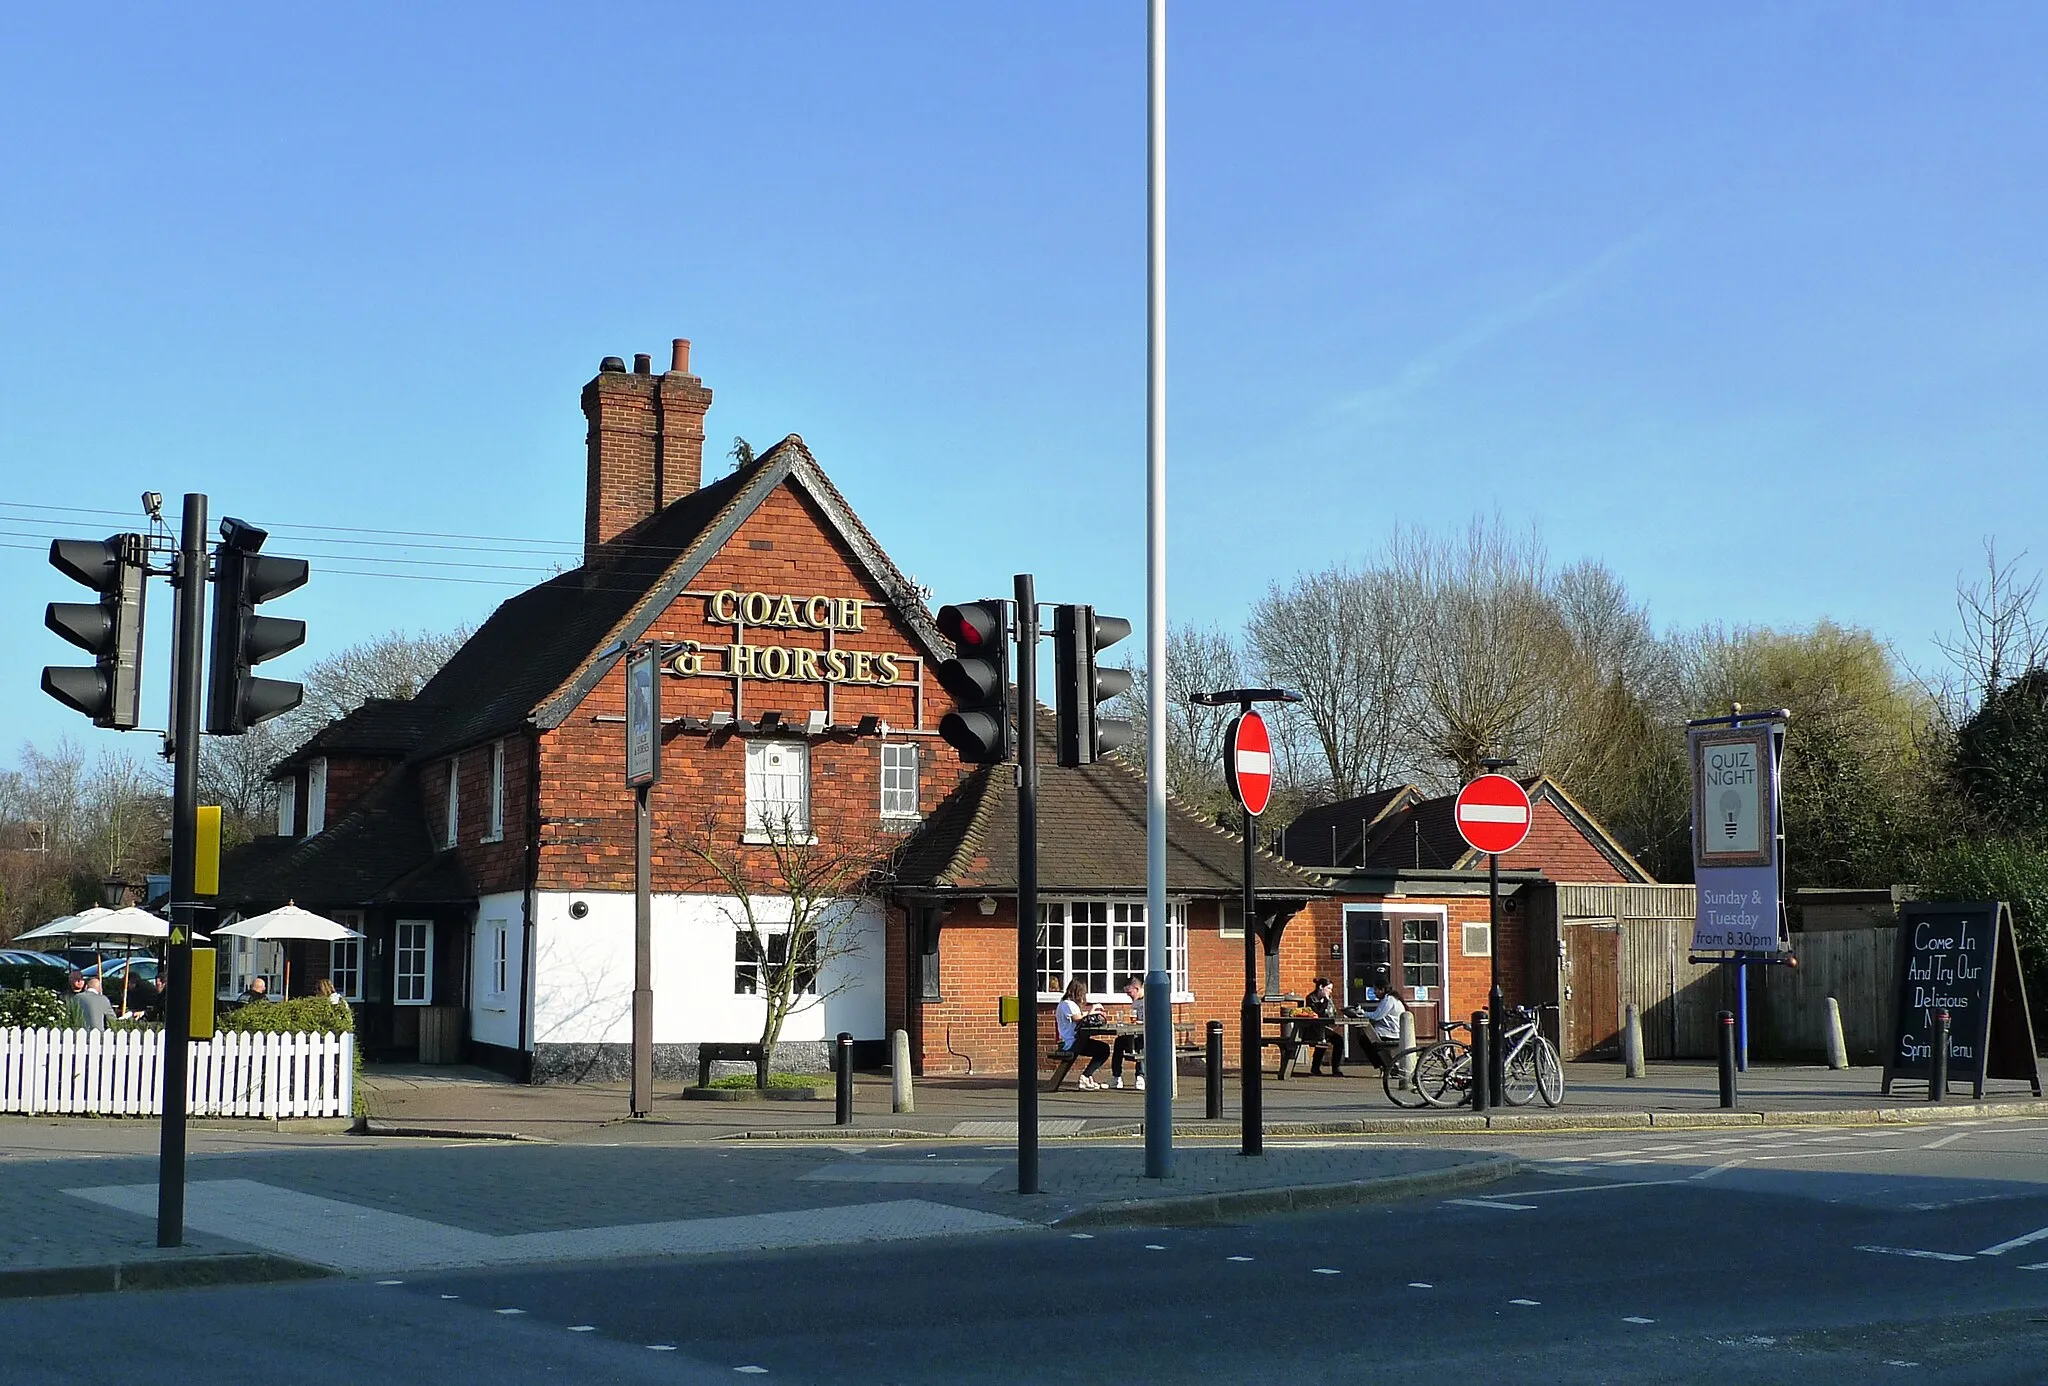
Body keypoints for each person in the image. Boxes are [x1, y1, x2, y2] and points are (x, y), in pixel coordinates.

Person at [1055, 979, 1112, 1090]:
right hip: (1071, 1042)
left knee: (1102, 1049)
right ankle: (1085, 1076)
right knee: (1104, 1049)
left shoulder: (1067, 1004)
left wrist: (1094, 1012)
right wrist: (1093, 1009)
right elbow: (1078, 1019)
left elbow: (1080, 1015)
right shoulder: (1068, 1004)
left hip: (1074, 1040)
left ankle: (1087, 1076)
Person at [1302, 976, 1345, 1077]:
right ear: (1321, 987)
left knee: (1339, 1040)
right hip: (1312, 1029)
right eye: (1328, 988)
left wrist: (1329, 1002)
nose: (1330, 991)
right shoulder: (1311, 998)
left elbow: (1332, 1013)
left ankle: (1336, 1068)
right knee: (1322, 1039)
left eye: (1331, 989)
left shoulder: (1328, 999)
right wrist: (1326, 1001)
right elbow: (1318, 1014)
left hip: (1324, 1028)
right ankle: (1315, 1067)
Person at [1111, 974, 1145, 1090]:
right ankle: (1116, 1077)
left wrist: (1139, 1023)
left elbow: (1152, 1021)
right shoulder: (1136, 1002)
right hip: (1137, 1033)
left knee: (1142, 1043)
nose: (1128, 995)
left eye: (1130, 993)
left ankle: (1141, 1076)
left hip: (1149, 1036)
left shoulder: (1150, 1000)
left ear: (1136, 989)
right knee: (1119, 1042)